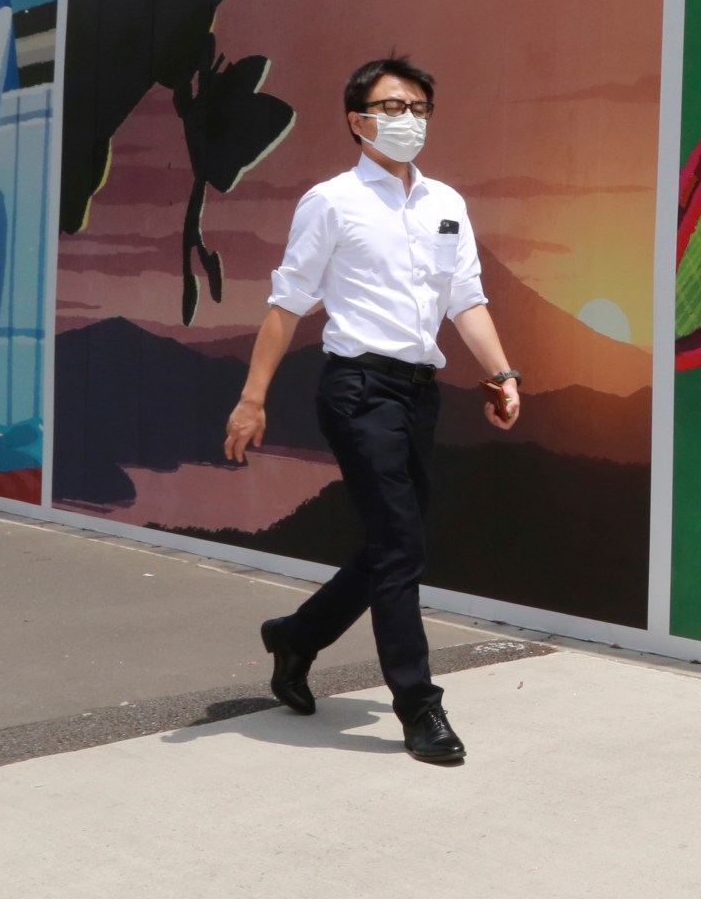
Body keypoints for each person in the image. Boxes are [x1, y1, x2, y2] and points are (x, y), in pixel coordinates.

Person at [222, 56, 523, 764]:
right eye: (392, 108)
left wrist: (502, 373)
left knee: (397, 544)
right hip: (357, 388)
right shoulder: (332, 202)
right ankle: (420, 707)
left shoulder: (446, 203)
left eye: (419, 107)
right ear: (357, 121)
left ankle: (296, 636)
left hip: (418, 392)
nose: (408, 119)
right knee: (399, 548)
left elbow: (467, 300)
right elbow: (287, 304)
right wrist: (251, 398)